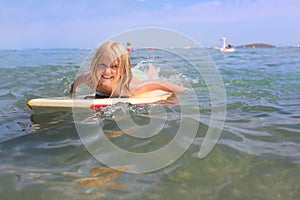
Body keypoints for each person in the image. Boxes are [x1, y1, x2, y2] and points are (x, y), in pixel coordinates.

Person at [70, 41, 185, 98]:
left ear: (123, 69)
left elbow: (160, 83)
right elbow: (77, 82)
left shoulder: (130, 90)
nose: (107, 71)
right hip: (120, 75)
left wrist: (180, 91)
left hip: (136, 77)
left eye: (114, 66)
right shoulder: (90, 79)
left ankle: (151, 68)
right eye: (102, 65)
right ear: (95, 65)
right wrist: (72, 93)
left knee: (149, 76)